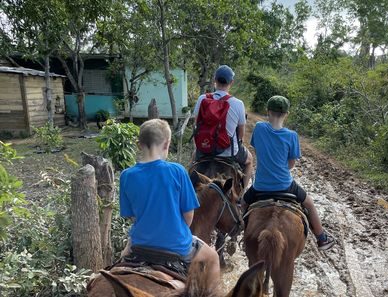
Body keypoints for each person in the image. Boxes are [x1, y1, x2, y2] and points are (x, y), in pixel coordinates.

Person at [119, 119, 220, 278]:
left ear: (139, 144)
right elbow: (188, 216)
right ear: (166, 144)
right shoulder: (177, 171)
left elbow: (132, 216)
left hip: (139, 245)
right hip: (176, 246)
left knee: (120, 260)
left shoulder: (126, 176)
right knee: (213, 258)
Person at [242, 96, 335, 251]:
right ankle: (321, 238)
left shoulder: (259, 128)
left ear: (268, 111)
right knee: (309, 204)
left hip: (261, 187)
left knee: (243, 203)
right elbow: (291, 164)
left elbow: (258, 150)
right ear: (286, 114)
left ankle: (237, 233)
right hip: (285, 186)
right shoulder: (292, 136)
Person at [192, 65, 253, 189]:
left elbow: (196, 123)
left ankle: (188, 189)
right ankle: (242, 194)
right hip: (229, 152)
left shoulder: (202, 98)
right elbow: (240, 134)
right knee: (250, 160)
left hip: (205, 149)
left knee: (193, 159)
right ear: (231, 82)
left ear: (215, 80)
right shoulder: (238, 103)